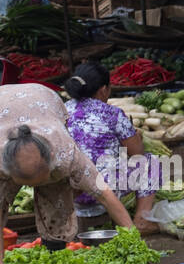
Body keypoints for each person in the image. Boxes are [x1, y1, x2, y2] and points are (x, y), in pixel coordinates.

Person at [0, 83, 133, 264]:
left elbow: (104, 194)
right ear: (8, 173)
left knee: (58, 206)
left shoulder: (65, 153)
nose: (38, 187)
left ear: (51, 158)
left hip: (46, 100)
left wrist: (134, 240)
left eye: (43, 179)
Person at [64, 61, 161, 233]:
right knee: (149, 162)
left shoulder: (62, 110)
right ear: (103, 90)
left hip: (68, 190)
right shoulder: (111, 113)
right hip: (103, 189)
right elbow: (137, 153)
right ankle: (141, 220)